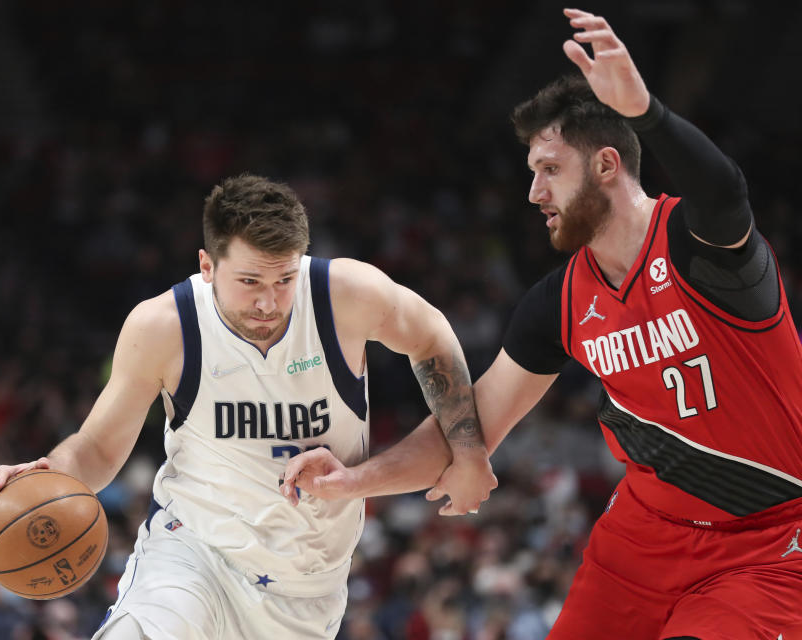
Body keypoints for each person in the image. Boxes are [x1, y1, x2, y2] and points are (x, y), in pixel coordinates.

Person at [282, 8, 802, 639]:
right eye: (532, 173)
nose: (534, 193)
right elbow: (468, 427)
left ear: (608, 165)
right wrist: (352, 481)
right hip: (642, 537)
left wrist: (645, 109)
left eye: (550, 169)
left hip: (770, 538)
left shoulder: (703, 251)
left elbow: (725, 191)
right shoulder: (557, 303)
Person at [0, 174, 497, 639]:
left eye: (283, 280)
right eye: (249, 282)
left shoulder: (345, 296)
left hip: (305, 587)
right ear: (207, 265)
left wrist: (468, 451)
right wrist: (48, 472)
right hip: (193, 552)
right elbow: (99, 446)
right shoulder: (164, 326)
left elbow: (432, 338)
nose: (268, 302)